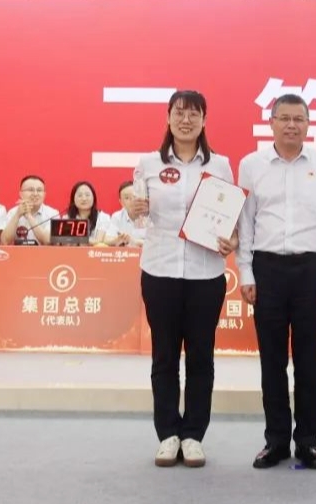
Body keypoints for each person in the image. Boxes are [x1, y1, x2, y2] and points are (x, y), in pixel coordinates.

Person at [237, 93, 316, 470]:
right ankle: (276, 441)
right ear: (271, 123)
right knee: (271, 361)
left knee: (309, 362)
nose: (291, 125)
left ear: (308, 124)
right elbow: (245, 222)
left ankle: (308, 442)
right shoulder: (251, 165)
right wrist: (246, 272)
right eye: (284, 118)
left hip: (311, 270)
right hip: (266, 268)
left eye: (298, 119)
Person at [130, 90, 236, 468]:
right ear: (168, 117)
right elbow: (138, 219)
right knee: (164, 356)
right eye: (179, 113)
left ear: (204, 120)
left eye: (194, 114)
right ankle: (167, 434)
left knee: (201, 357)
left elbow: (231, 220)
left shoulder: (220, 165)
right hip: (160, 270)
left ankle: (193, 435)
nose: (186, 120)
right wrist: (135, 210)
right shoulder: (148, 164)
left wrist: (232, 240)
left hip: (206, 274)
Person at [0, 175, 59, 245]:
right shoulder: (13, 212)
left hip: (43, 252)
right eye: (31, 190)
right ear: (21, 194)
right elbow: (4, 242)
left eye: (39, 190)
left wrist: (29, 216)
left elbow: (48, 242)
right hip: (19, 252)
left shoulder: (53, 214)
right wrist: (17, 215)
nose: (35, 194)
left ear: (44, 194)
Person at [65, 181, 111, 245]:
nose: (84, 199)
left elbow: (99, 242)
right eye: (80, 195)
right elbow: (65, 243)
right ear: (73, 199)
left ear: (94, 198)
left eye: (87, 195)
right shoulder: (66, 218)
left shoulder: (103, 217)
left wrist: (77, 239)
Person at [106, 181, 146, 247]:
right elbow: (107, 239)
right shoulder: (117, 216)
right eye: (127, 198)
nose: (132, 200)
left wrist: (137, 242)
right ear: (121, 202)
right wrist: (117, 240)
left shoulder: (152, 215)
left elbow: (160, 242)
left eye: (135, 196)